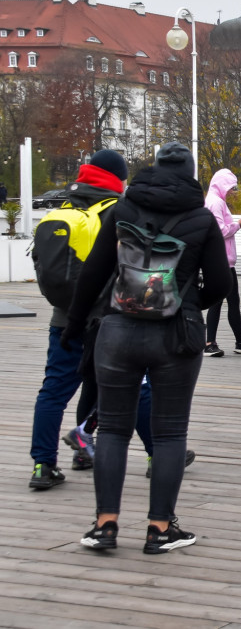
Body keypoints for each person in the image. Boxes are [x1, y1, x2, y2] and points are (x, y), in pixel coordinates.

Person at [62, 142, 231, 554]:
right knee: (170, 433)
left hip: (117, 330)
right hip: (176, 336)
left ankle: (105, 526)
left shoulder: (122, 210)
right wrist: (188, 303)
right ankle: (159, 529)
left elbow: (93, 274)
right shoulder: (201, 217)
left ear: (152, 169)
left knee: (116, 430)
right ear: (191, 172)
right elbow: (222, 284)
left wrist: (75, 324)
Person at [28, 150, 127, 489]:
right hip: (105, 319)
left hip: (63, 319)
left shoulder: (60, 212)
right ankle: (156, 453)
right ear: (117, 179)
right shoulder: (115, 213)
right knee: (124, 387)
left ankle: (43, 465)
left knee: (53, 390)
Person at [203, 168, 241, 356]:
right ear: (222, 185)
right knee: (219, 301)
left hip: (224, 261)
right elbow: (219, 231)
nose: (232, 192)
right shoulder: (216, 203)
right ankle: (210, 343)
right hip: (220, 260)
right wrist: (238, 225)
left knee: (231, 300)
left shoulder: (214, 200)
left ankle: (239, 341)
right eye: (230, 188)